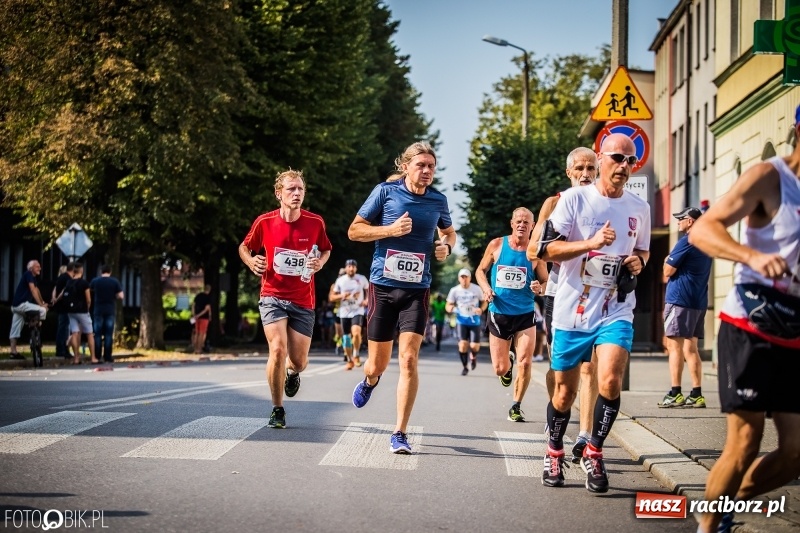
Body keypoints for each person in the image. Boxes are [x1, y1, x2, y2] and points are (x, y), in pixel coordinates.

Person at [689, 109, 800, 533]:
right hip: (750, 322)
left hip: (796, 331)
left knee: (794, 452)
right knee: (745, 439)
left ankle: (719, 505)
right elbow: (703, 230)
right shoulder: (769, 178)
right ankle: (709, 525)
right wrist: (751, 255)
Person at [538, 134, 650, 492]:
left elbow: (644, 250)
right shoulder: (572, 200)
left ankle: (594, 451)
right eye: (617, 158)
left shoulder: (639, 207)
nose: (624, 166)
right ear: (602, 159)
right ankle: (554, 452)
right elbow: (546, 251)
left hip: (616, 307)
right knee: (563, 395)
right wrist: (590, 243)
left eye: (630, 161)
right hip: (573, 309)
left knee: (610, 381)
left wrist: (639, 261)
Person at [349, 141, 456, 455]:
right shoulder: (385, 192)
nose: (426, 171)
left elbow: (449, 233)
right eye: (420, 165)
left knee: (408, 359)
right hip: (382, 286)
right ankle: (369, 381)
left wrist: (446, 247)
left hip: (417, 290)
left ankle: (399, 432)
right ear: (406, 166)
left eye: (431, 167)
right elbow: (354, 231)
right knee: (376, 364)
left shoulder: (439, 200)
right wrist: (390, 230)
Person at [238, 169, 332, 429]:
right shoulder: (265, 222)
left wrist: (319, 264)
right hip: (273, 296)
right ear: (279, 193)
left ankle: (292, 373)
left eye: (301, 189)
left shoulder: (315, 223)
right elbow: (244, 247)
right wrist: (251, 260)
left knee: (299, 361)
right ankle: (277, 408)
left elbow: (326, 249)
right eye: (291, 189)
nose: (297, 193)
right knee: (277, 349)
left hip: (303, 299)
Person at [528, 146, 600, 461]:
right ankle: (557, 412)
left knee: (590, 365)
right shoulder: (554, 202)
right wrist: (549, 271)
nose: (585, 175)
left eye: (591, 169)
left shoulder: (607, 202)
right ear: (569, 172)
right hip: (560, 294)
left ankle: (585, 434)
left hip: (597, 294)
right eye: (580, 169)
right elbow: (534, 249)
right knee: (562, 370)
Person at [475, 207, 548, 422]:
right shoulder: (497, 245)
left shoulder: (535, 251)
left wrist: (539, 288)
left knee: (525, 362)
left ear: (532, 226)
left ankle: (516, 405)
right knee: (500, 369)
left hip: (525, 313)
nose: (522, 225)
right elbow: (480, 271)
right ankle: (507, 363)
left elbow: (546, 281)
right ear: (512, 223)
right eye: (519, 221)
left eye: (527, 222)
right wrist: (486, 289)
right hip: (499, 313)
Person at [659, 206, 712, 408]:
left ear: (690, 221)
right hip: (698, 302)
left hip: (679, 301)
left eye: (681, 218)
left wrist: (666, 260)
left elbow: (667, 271)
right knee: (691, 348)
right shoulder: (706, 244)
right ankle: (697, 393)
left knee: (673, 347)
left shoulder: (686, 241)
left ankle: (675, 393)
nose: (678, 222)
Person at [445, 268, 487, 376]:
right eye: (462, 277)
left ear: (470, 278)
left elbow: (484, 302)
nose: (464, 279)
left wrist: (481, 309)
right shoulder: (454, 290)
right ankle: (465, 367)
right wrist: (450, 309)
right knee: (463, 345)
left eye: (466, 277)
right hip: (461, 321)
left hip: (474, 321)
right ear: (459, 278)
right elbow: (448, 305)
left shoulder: (476, 289)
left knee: (474, 346)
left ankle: (473, 357)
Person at [329, 259, 369, 369]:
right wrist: (342, 296)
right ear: (346, 268)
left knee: (356, 333)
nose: (351, 268)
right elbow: (332, 297)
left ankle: (356, 355)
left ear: (356, 268)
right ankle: (350, 360)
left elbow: (369, 290)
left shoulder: (361, 279)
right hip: (344, 311)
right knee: (346, 338)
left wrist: (366, 300)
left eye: (353, 266)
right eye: (349, 266)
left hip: (357, 310)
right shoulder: (340, 281)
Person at [8, 260, 49, 360]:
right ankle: (36, 323)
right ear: (31, 268)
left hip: (16, 307)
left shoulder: (32, 278)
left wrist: (42, 302)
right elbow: (33, 289)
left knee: (15, 329)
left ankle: (13, 352)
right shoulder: (28, 274)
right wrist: (41, 305)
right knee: (43, 311)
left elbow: (37, 289)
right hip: (22, 305)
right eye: (37, 266)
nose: (39, 268)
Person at [90, 265, 124, 363]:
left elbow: (90, 291)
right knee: (108, 334)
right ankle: (107, 356)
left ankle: (97, 355)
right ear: (110, 271)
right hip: (110, 310)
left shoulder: (95, 281)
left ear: (101, 271)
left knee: (97, 334)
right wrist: (115, 295)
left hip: (98, 309)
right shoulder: (114, 282)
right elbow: (121, 296)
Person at [67, 262, 97, 365]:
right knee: (89, 333)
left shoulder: (69, 282)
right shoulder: (84, 283)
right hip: (82, 311)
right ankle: (93, 358)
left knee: (75, 333)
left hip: (71, 311)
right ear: (82, 271)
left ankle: (76, 358)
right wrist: (87, 308)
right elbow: (88, 299)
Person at [51, 262, 74, 359]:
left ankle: (61, 349)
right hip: (65, 306)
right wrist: (57, 298)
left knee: (62, 328)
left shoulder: (60, 277)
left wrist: (54, 298)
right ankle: (62, 350)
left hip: (60, 306)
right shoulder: (68, 279)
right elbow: (64, 290)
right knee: (64, 329)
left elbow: (55, 288)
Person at [191, 284, 212, 354]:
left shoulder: (198, 296)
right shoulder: (208, 297)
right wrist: (200, 315)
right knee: (202, 333)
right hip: (204, 318)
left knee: (196, 333)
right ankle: (199, 349)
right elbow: (206, 309)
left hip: (196, 318)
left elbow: (193, 305)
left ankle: (195, 349)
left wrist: (194, 315)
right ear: (209, 290)